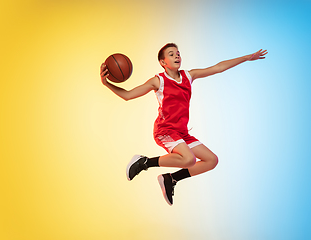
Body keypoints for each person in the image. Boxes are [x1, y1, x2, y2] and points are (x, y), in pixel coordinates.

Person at [100, 43, 268, 206]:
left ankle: (171, 179)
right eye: (171, 54)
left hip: (181, 133)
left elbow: (218, 67)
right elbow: (128, 95)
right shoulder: (158, 81)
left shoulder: (189, 75)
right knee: (189, 159)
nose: (177, 56)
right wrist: (107, 83)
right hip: (164, 130)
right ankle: (144, 162)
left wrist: (247, 57)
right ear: (163, 62)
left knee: (211, 160)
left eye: (178, 53)